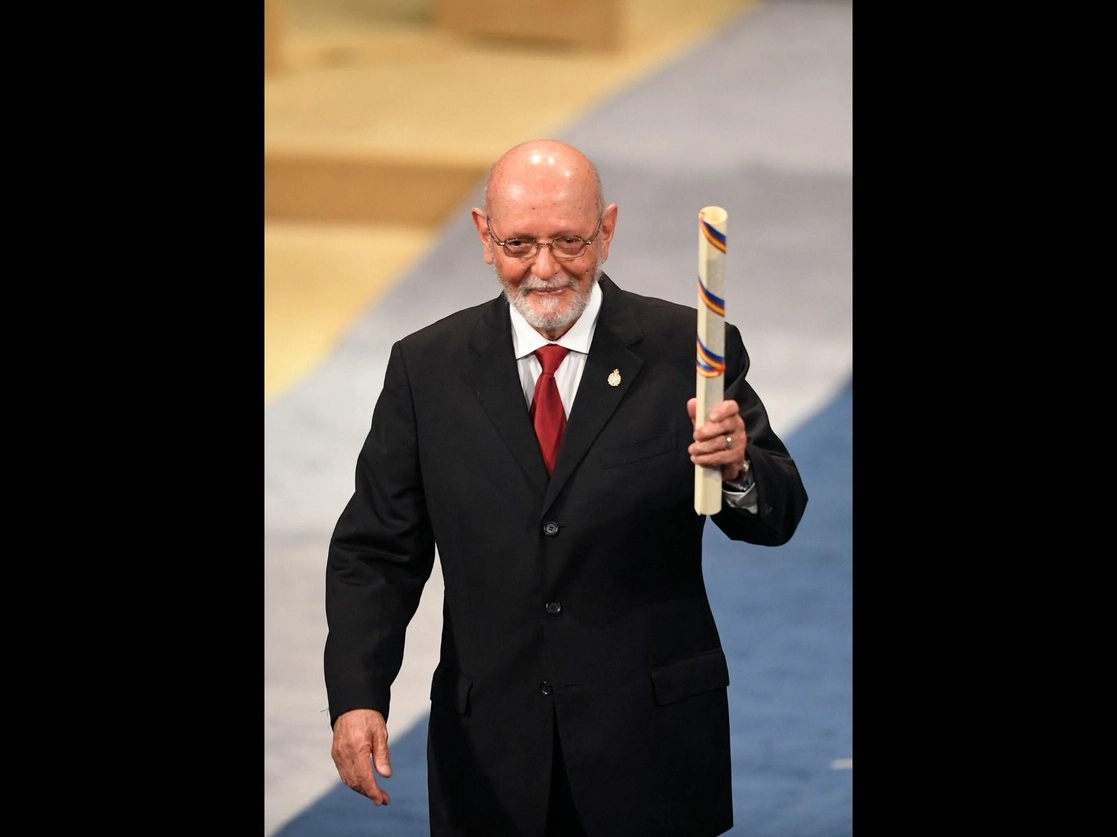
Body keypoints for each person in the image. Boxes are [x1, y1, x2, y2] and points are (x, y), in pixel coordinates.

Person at [325, 138, 808, 836]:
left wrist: (737, 468)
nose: (545, 269)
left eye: (569, 242)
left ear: (606, 230)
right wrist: (357, 696)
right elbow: (376, 551)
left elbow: (777, 511)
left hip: (650, 747)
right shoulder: (424, 368)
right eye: (519, 243)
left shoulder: (689, 349)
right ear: (482, 236)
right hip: (489, 755)